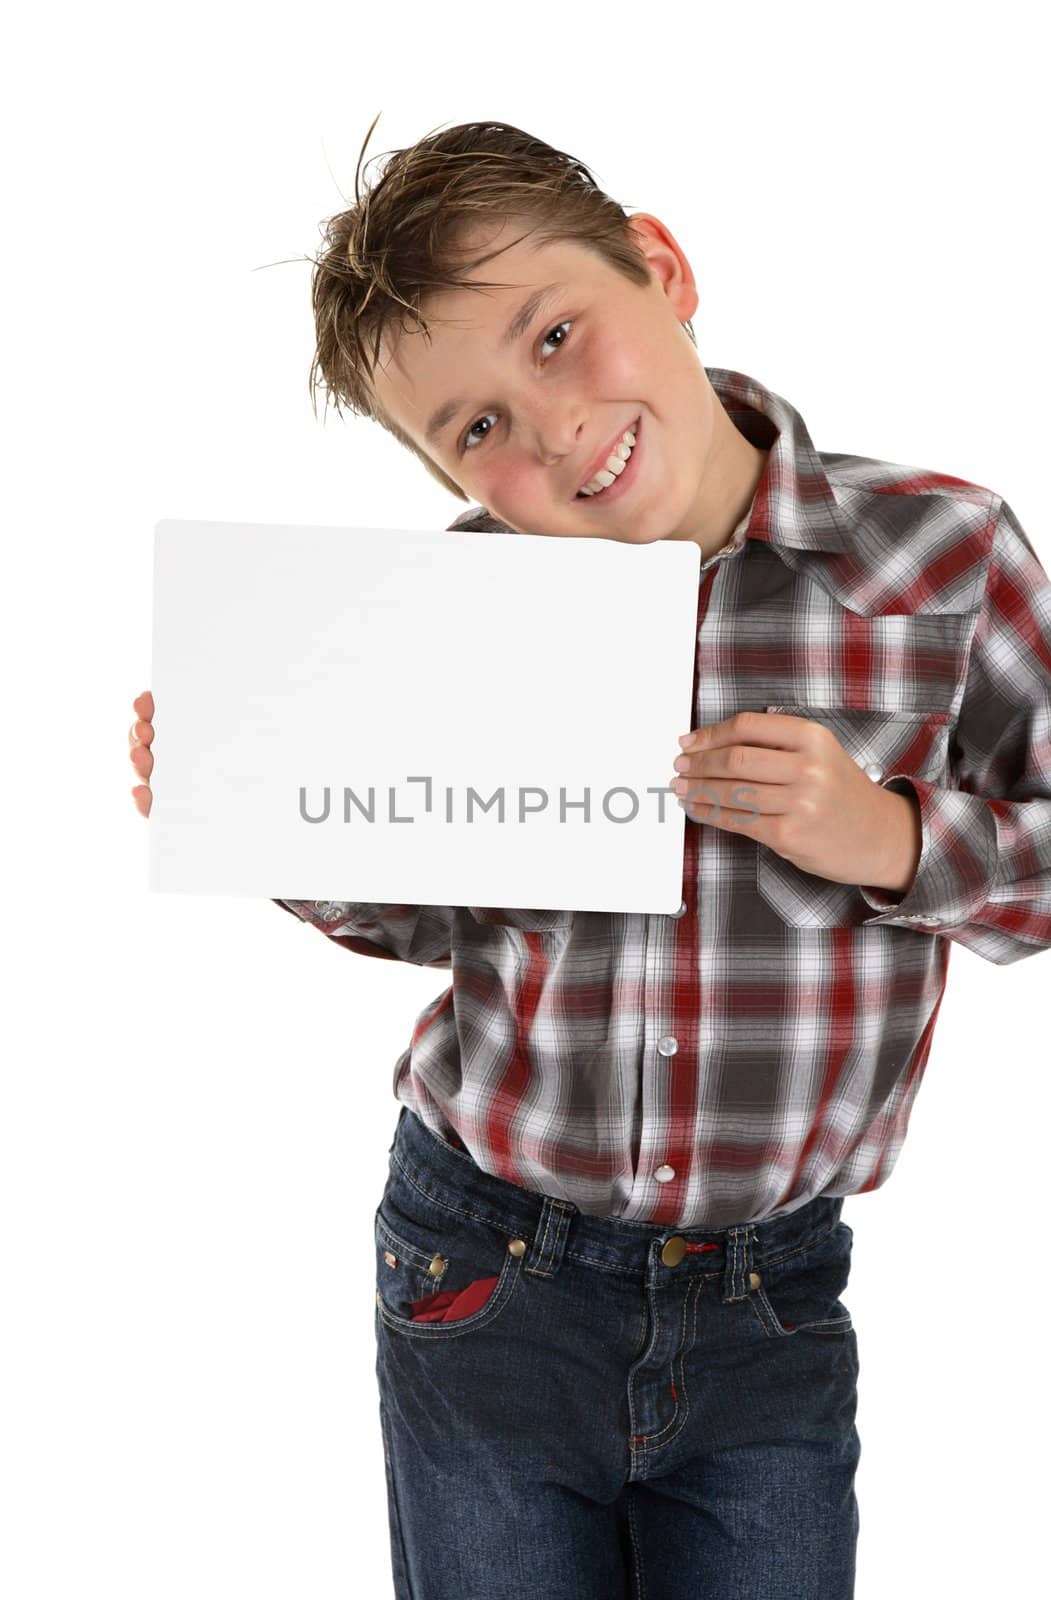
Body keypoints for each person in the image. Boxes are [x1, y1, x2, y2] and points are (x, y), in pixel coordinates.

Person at [128, 118, 1051, 1599]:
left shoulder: (938, 558)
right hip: (484, 1270)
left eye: (558, 336)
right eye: (474, 428)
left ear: (662, 268)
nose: (550, 428)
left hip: (774, 1299)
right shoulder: (462, 613)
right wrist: (267, 805)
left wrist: (889, 834)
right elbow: (431, 913)